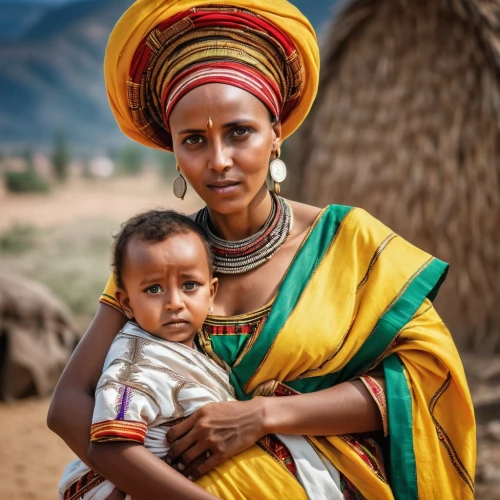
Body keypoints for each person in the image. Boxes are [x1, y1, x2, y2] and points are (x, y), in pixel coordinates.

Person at [48, 1, 476, 499]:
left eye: (239, 132)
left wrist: (262, 414)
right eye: (193, 140)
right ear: (174, 153)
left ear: (276, 135)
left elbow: (424, 377)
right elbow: (68, 407)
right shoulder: (161, 258)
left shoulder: (347, 241)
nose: (219, 161)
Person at [58, 209, 344, 499]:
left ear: (211, 293)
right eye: (154, 289)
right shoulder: (133, 364)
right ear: (126, 303)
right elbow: (110, 446)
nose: (174, 302)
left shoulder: (197, 354)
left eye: (189, 286)